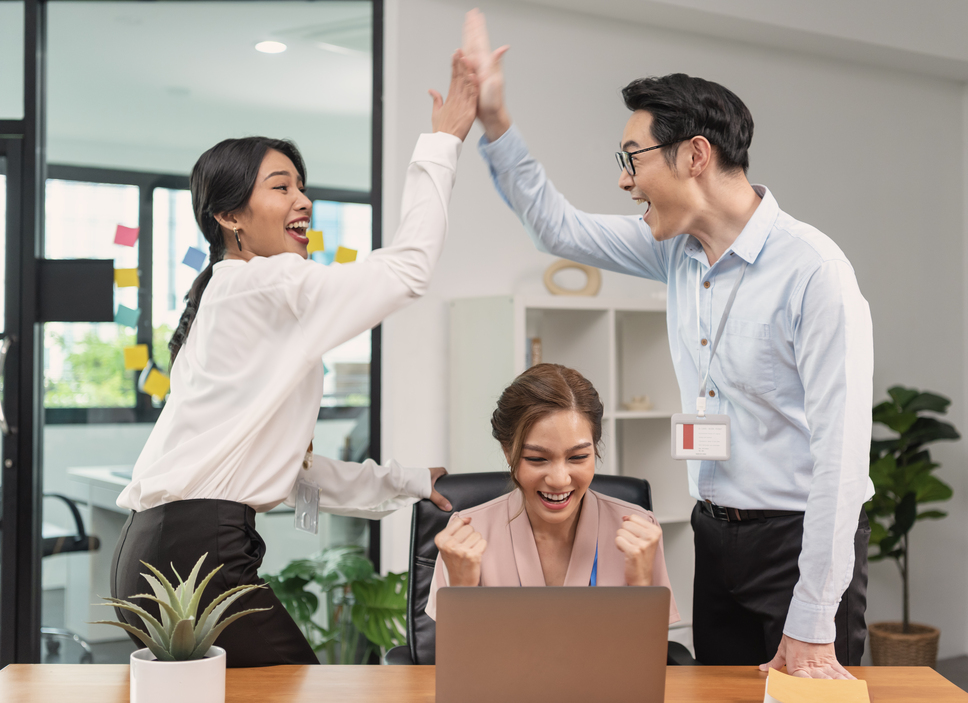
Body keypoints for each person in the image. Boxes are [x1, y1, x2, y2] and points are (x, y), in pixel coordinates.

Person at [460, 10, 874, 679]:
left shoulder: (813, 271)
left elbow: (843, 462)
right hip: (713, 533)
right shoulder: (675, 252)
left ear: (695, 155)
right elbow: (556, 228)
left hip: (798, 542)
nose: (624, 180)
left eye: (632, 159)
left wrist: (812, 613)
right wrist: (496, 121)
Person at [110, 51, 478, 667]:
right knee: (300, 688)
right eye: (281, 188)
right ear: (230, 217)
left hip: (162, 554)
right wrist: (442, 144)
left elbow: (296, 473)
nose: (302, 201)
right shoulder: (258, 283)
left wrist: (412, 481)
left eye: (301, 186)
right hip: (196, 556)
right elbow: (408, 270)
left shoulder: (233, 300)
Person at [426, 363, 681, 626]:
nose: (559, 480)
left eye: (579, 457)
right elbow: (460, 664)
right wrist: (461, 590)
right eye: (537, 458)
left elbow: (646, 662)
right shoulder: (464, 538)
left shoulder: (641, 533)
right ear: (507, 452)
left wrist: (641, 585)